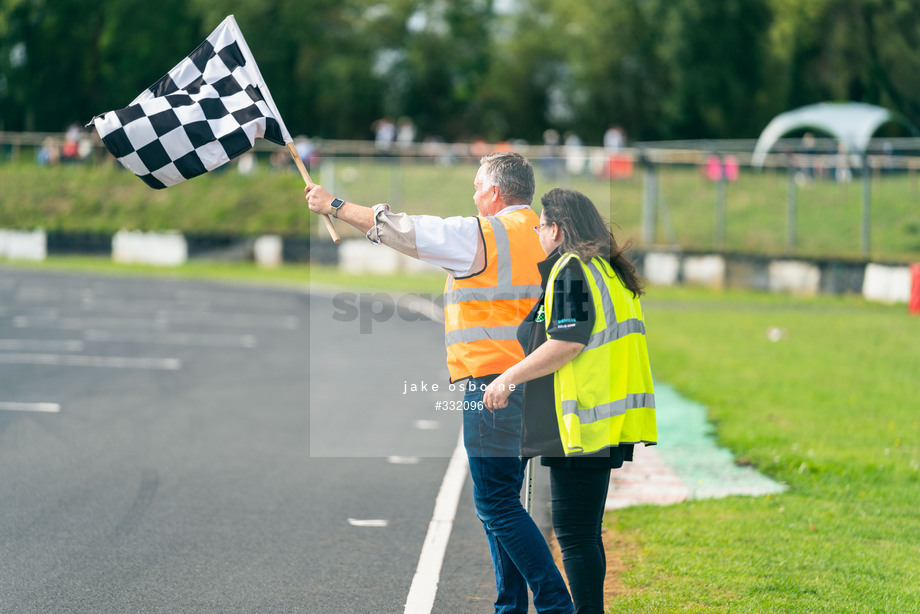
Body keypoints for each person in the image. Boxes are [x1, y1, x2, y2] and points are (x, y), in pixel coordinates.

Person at [304, 152, 575, 614]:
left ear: (493, 193)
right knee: (505, 502)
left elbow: (403, 231)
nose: (473, 196)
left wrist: (335, 206)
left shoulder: (482, 233)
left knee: (495, 505)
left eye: (476, 187)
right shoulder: (547, 235)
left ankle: (554, 604)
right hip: (538, 383)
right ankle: (511, 606)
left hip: (493, 386)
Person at [482, 188, 657, 614]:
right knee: (584, 534)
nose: (538, 233)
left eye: (541, 225)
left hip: (583, 420)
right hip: (605, 418)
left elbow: (567, 341)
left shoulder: (572, 269)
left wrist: (507, 378)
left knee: (575, 536)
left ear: (556, 229)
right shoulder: (609, 270)